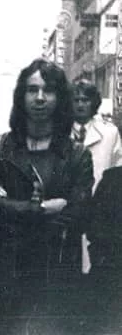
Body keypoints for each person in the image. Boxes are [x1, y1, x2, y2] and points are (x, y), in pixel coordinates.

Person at [0, 58, 94, 335]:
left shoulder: (77, 155)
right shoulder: (0, 147)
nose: (40, 98)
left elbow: (80, 214)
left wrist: (9, 208)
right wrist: (41, 209)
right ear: (21, 96)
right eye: (32, 90)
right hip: (7, 274)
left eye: (48, 90)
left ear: (59, 97)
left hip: (56, 276)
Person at [71, 79, 122, 274]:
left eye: (85, 100)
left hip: (100, 211)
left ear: (94, 102)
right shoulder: (57, 132)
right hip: (66, 209)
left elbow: (117, 173)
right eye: (76, 99)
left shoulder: (110, 133)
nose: (80, 104)